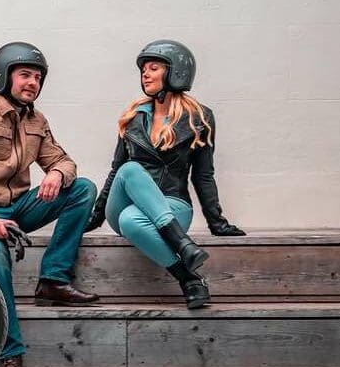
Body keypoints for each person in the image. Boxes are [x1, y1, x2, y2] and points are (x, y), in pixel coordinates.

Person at [0, 41, 99, 367]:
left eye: (38, 77)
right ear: (4, 76)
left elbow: (63, 160)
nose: (33, 83)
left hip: (15, 210)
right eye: (25, 75)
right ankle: (9, 354)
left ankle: (53, 280)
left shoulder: (37, 120)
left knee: (82, 188)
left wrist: (58, 174)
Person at [85, 39, 245, 309]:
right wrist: (95, 217)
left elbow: (203, 175)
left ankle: (188, 278)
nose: (145, 74)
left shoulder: (199, 118)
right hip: (124, 202)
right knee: (129, 169)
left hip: (173, 205)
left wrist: (217, 222)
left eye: (154, 68)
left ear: (175, 72)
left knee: (131, 221)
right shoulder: (133, 117)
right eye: (143, 69)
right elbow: (117, 172)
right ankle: (183, 245)